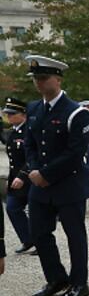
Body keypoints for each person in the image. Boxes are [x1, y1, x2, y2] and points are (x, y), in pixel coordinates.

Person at [24, 55, 89, 296]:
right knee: (39, 233)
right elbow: (30, 145)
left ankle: (79, 283)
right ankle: (56, 278)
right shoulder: (34, 109)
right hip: (40, 185)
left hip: (68, 184)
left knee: (75, 235)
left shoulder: (76, 112)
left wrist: (46, 174)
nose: (39, 83)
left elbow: (75, 153)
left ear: (58, 79)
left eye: (43, 78)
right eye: (35, 79)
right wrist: (35, 170)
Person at [3, 97, 34, 255]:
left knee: (36, 212)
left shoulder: (30, 131)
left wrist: (22, 175)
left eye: (12, 114)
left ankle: (41, 242)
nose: (9, 116)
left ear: (23, 114)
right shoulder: (14, 132)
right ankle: (28, 239)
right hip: (16, 178)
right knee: (12, 207)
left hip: (31, 177)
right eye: (7, 114)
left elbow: (33, 157)